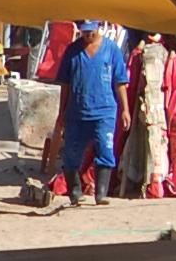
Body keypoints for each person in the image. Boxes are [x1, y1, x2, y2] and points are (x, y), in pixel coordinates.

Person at [51, 22, 128, 206]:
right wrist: (61, 113)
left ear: (99, 27)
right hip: (77, 112)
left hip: (105, 110)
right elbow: (66, 84)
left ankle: (101, 193)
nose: (88, 35)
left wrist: (125, 108)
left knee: (105, 149)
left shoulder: (111, 50)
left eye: (91, 31)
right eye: (85, 32)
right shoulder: (72, 51)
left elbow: (120, 81)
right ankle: (75, 192)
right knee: (72, 153)